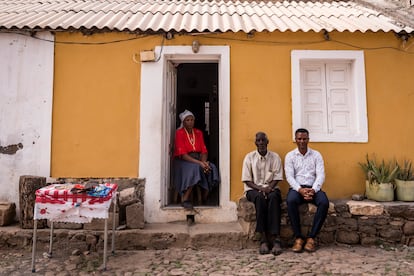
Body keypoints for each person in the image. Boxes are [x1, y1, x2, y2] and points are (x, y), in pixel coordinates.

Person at [284, 128, 329, 253]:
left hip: (313, 187)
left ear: (308, 140)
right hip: (297, 188)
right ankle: (298, 237)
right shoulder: (290, 156)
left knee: (324, 202)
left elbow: (321, 175)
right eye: (299, 139)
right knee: (291, 201)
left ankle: (311, 238)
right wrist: (300, 190)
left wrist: (313, 190)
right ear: (295, 140)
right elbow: (289, 176)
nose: (302, 141)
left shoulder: (316, 155)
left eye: (304, 139)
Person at [241, 132, 283, 255]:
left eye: (263, 140)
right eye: (258, 141)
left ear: (267, 142)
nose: (261, 143)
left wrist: (269, 188)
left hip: (271, 188)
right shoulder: (249, 157)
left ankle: (276, 239)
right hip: (253, 189)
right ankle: (263, 239)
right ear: (255, 143)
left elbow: (277, 176)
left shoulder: (275, 157)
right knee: (259, 199)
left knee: (274, 197)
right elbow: (247, 180)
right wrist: (260, 189)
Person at [173, 110, 219, 209]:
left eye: (192, 120)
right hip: (183, 161)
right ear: (183, 122)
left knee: (212, 167)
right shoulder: (179, 133)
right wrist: (199, 163)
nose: (190, 122)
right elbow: (184, 155)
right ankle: (185, 198)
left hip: (198, 159)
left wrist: (204, 162)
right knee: (195, 168)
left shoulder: (198, 133)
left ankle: (205, 197)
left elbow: (203, 151)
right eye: (187, 120)